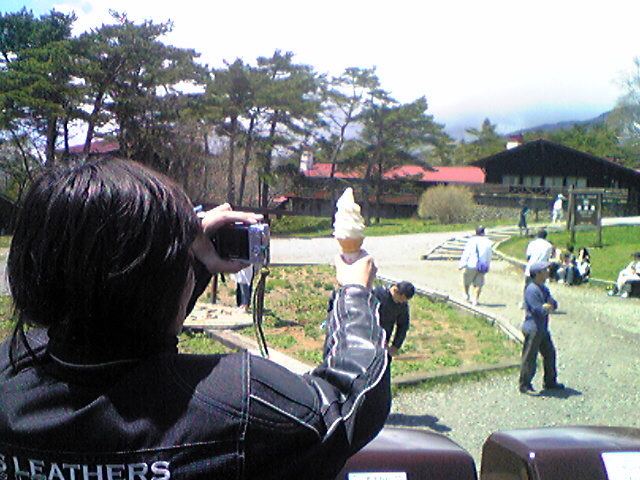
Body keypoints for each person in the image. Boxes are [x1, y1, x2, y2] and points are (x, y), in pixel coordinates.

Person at [0, 158, 391, 480]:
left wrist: (182, 256)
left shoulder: (8, 376)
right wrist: (354, 292)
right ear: (166, 281)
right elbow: (349, 404)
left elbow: (115, 311)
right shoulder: (237, 404)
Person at [519, 261, 565, 394]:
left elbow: (553, 304)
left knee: (550, 354)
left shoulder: (544, 288)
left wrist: (549, 306)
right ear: (538, 274)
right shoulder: (531, 290)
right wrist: (546, 307)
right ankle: (524, 385)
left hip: (542, 328)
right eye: (545, 270)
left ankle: (550, 382)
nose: (547, 272)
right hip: (533, 328)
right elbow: (538, 309)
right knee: (530, 357)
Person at [372, 281, 415, 356]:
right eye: (400, 300)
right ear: (395, 290)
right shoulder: (376, 294)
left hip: (383, 340)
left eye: (403, 301)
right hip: (368, 334)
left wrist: (396, 345)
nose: (400, 303)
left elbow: (403, 325)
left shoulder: (402, 305)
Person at [458, 226, 493, 305]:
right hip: (482, 266)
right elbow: (489, 256)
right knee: (479, 283)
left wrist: (462, 264)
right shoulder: (488, 242)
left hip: (471, 264)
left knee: (466, 280)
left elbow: (466, 253)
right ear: (483, 233)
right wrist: (487, 265)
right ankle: (475, 299)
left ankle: (466, 295)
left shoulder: (471, 241)